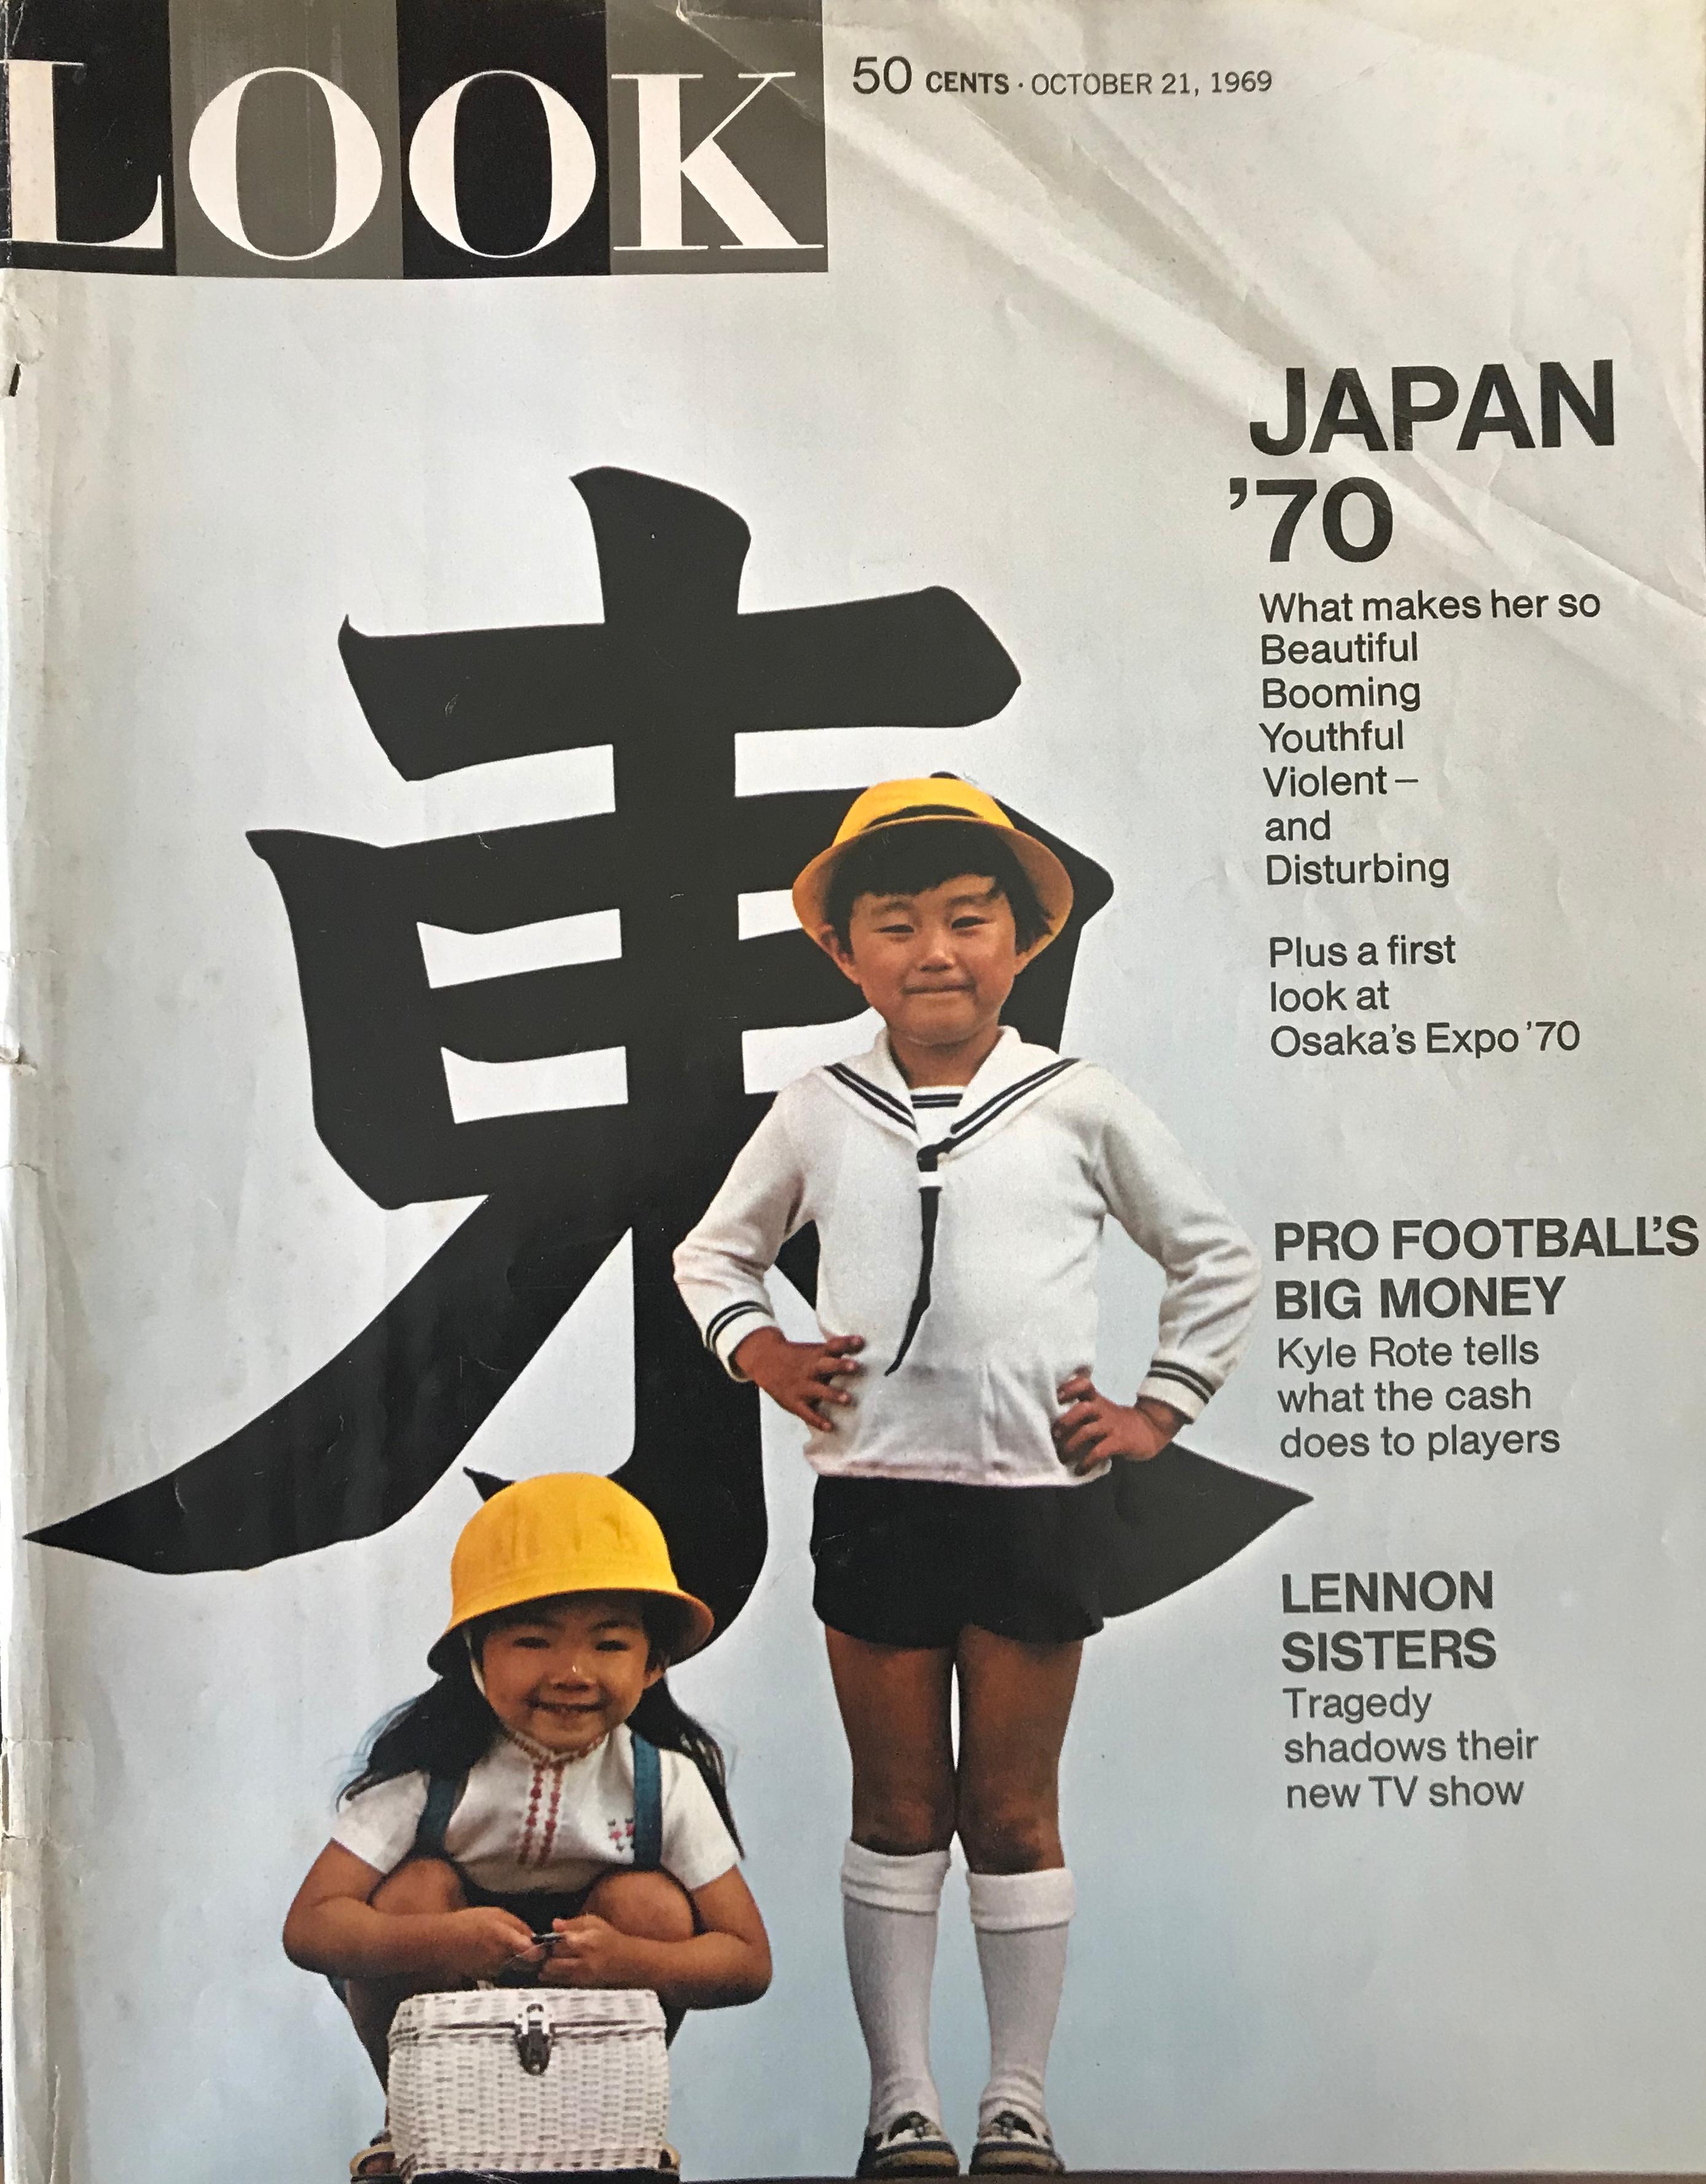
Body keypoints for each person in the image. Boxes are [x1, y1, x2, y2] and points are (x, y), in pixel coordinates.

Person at [674, 777, 1259, 2178]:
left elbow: (1214, 1255)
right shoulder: (818, 1104)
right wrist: (760, 1350)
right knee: (895, 1810)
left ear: (1019, 939)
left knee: (1009, 1808)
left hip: (1037, 1503)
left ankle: (1013, 2101)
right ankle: (902, 2103)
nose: (934, 950)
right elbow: (714, 1252)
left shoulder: (1076, 1100)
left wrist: (1156, 1407)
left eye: (966, 917)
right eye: (897, 923)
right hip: (877, 1496)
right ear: (842, 949)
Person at [284, 1472, 771, 2180]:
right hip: (445, 1983)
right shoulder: (433, 1772)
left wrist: (631, 1961)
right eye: (534, 1641)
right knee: (414, 1887)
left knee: (652, 1906)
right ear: (476, 1657)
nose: (572, 1672)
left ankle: (612, 2121)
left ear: (654, 1662)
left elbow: (748, 1958)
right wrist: (444, 1938)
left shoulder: (661, 1781)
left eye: (608, 1645)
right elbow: (310, 1927)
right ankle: (411, 2119)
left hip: (595, 1978)